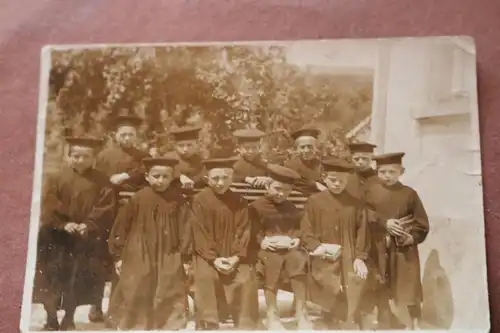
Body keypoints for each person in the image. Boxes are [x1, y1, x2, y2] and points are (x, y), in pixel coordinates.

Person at [33, 136, 115, 330]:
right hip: (56, 238)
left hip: (84, 239)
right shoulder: (57, 178)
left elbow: (105, 206)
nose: (80, 160)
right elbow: (49, 203)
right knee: (52, 279)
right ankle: (51, 318)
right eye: (76, 156)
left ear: (93, 158)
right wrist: (63, 224)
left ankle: (69, 318)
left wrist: (89, 224)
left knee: (77, 280)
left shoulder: (102, 180)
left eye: (85, 156)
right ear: (68, 156)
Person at [107, 155, 191, 330]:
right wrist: (118, 256)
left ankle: (167, 323)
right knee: (138, 281)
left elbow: (186, 228)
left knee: (169, 282)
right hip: (139, 250)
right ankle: (137, 323)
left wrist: (185, 256)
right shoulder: (137, 199)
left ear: (172, 177)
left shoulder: (178, 200)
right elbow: (121, 228)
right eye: (156, 176)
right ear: (147, 177)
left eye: (165, 177)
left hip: (169, 250)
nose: (160, 180)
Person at [300, 157, 370, 329]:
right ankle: (328, 315)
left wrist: (360, 257)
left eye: (342, 180)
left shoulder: (355, 204)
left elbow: (362, 231)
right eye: (333, 180)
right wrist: (317, 246)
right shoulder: (315, 201)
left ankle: (349, 316)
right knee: (327, 277)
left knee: (354, 275)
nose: (337, 184)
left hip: (350, 252)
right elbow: (306, 228)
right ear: (324, 178)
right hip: (323, 251)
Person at [189, 157, 258, 330]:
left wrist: (235, 257)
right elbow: (199, 232)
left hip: (234, 253)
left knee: (245, 278)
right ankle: (209, 321)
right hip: (207, 254)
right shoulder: (199, 200)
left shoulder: (240, 201)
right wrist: (214, 259)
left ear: (232, 178)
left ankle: (244, 322)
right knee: (206, 276)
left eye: (225, 177)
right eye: (216, 178)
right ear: (207, 179)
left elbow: (244, 229)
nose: (221, 182)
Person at [95, 114, 149, 325]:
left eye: (131, 135)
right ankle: (97, 306)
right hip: (108, 211)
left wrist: (126, 176)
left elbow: (147, 172)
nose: (127, 138)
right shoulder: (105, 156)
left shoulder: (142, 156)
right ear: (115, 135)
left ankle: (121, 308)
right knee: (103, 258)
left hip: (129, 211)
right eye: (123, 134)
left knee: (124, 256)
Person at [365, 152, 430, 330]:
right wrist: (384, 223)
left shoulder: (409, 194)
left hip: (403, 247)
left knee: (409, 282)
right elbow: (365, 214)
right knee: (381, 281)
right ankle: (384, 320)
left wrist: (412, 237)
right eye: (383, 171)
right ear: (377, 172)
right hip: (379, 244)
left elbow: (421, 222)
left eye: (392, 172)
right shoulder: (370, 193)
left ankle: (415, 322)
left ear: (401, 171)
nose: (387, 176)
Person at [250, 164, 312, 330]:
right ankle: (272, 314)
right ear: (267, 186)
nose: (281, 194)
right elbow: (251, 230)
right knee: (272, 262)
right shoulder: (256, 207)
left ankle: (301, 312)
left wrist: (296, 239)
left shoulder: (291, 208)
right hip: (266, 250)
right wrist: (262, 241)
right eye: (277, 189)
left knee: (298, 260)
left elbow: (299, 228)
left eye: (286, 191)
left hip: (289, 248)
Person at [284, 126, 326, 195]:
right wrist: (315, 184)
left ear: (316, 148)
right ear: (296, 150)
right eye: (302, 147)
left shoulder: (321, 165)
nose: (306, 150)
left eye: (310, 147)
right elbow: (295, 184)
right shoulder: (289, 166)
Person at [170, 125, 206, 190]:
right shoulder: (169, 159)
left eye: (189, 145)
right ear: (175, 146)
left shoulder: (200, 160)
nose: (185, 149)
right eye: (181, 145)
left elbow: (204, 177)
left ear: (197, 144)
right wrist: (180, 176)